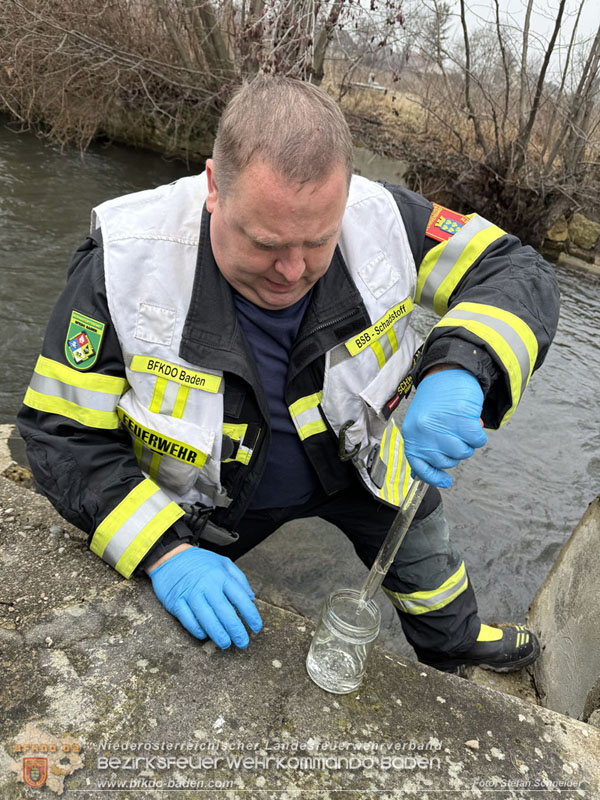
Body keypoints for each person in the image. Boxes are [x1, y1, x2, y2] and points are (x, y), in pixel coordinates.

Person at [17, 76, 559, 674]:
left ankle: (455, 644)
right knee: (184, 649)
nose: (292, 271)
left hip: (358, 452)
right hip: (214, 495)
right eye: (266, 243)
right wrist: (162, 551)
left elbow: (513, 268)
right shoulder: (123, 263)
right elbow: (62, 432)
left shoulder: (383, 217)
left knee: (428, 557)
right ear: (214, 187)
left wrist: (463, 366)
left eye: (318, 242)